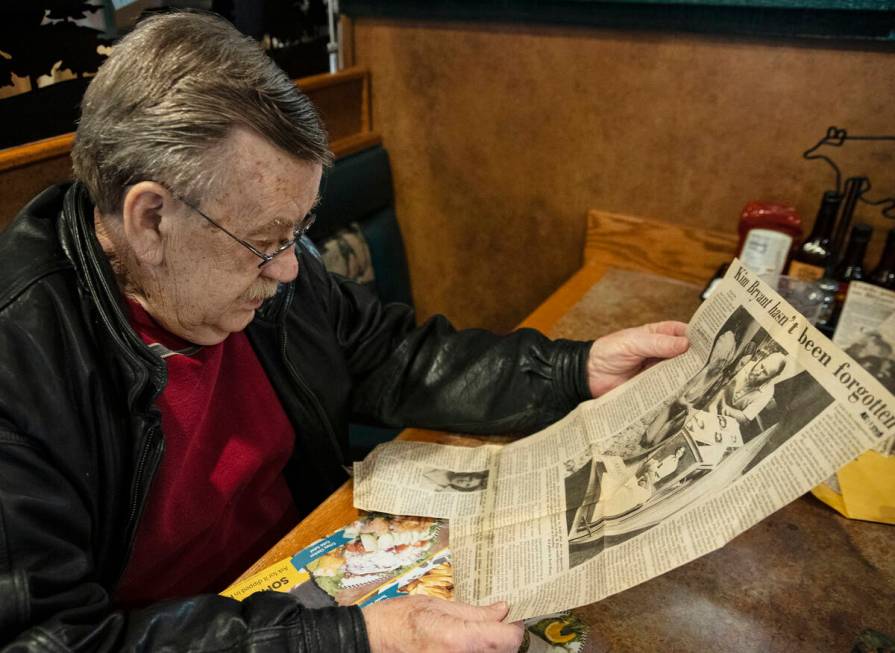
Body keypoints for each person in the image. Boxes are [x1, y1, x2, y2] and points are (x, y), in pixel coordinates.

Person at [0, 11, 689, 653]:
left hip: (313, 563)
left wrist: (575, 369)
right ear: (149, 220)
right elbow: (57, 638)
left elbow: (393, 354)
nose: (290, 269)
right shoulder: (20, 364)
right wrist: (342, 637)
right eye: (267, 240)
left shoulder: (256, 266)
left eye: (297, 231)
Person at [707, 352, 787, 425]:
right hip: (713, 399)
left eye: (765, 372)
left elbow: (745, 418)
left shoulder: (768, 392)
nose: (758, 372)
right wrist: (715, 404)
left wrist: (727, 409)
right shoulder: (746, 361)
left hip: (728, 420)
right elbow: (723, 383)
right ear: (764, 358)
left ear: (772, 377)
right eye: (762, 366)